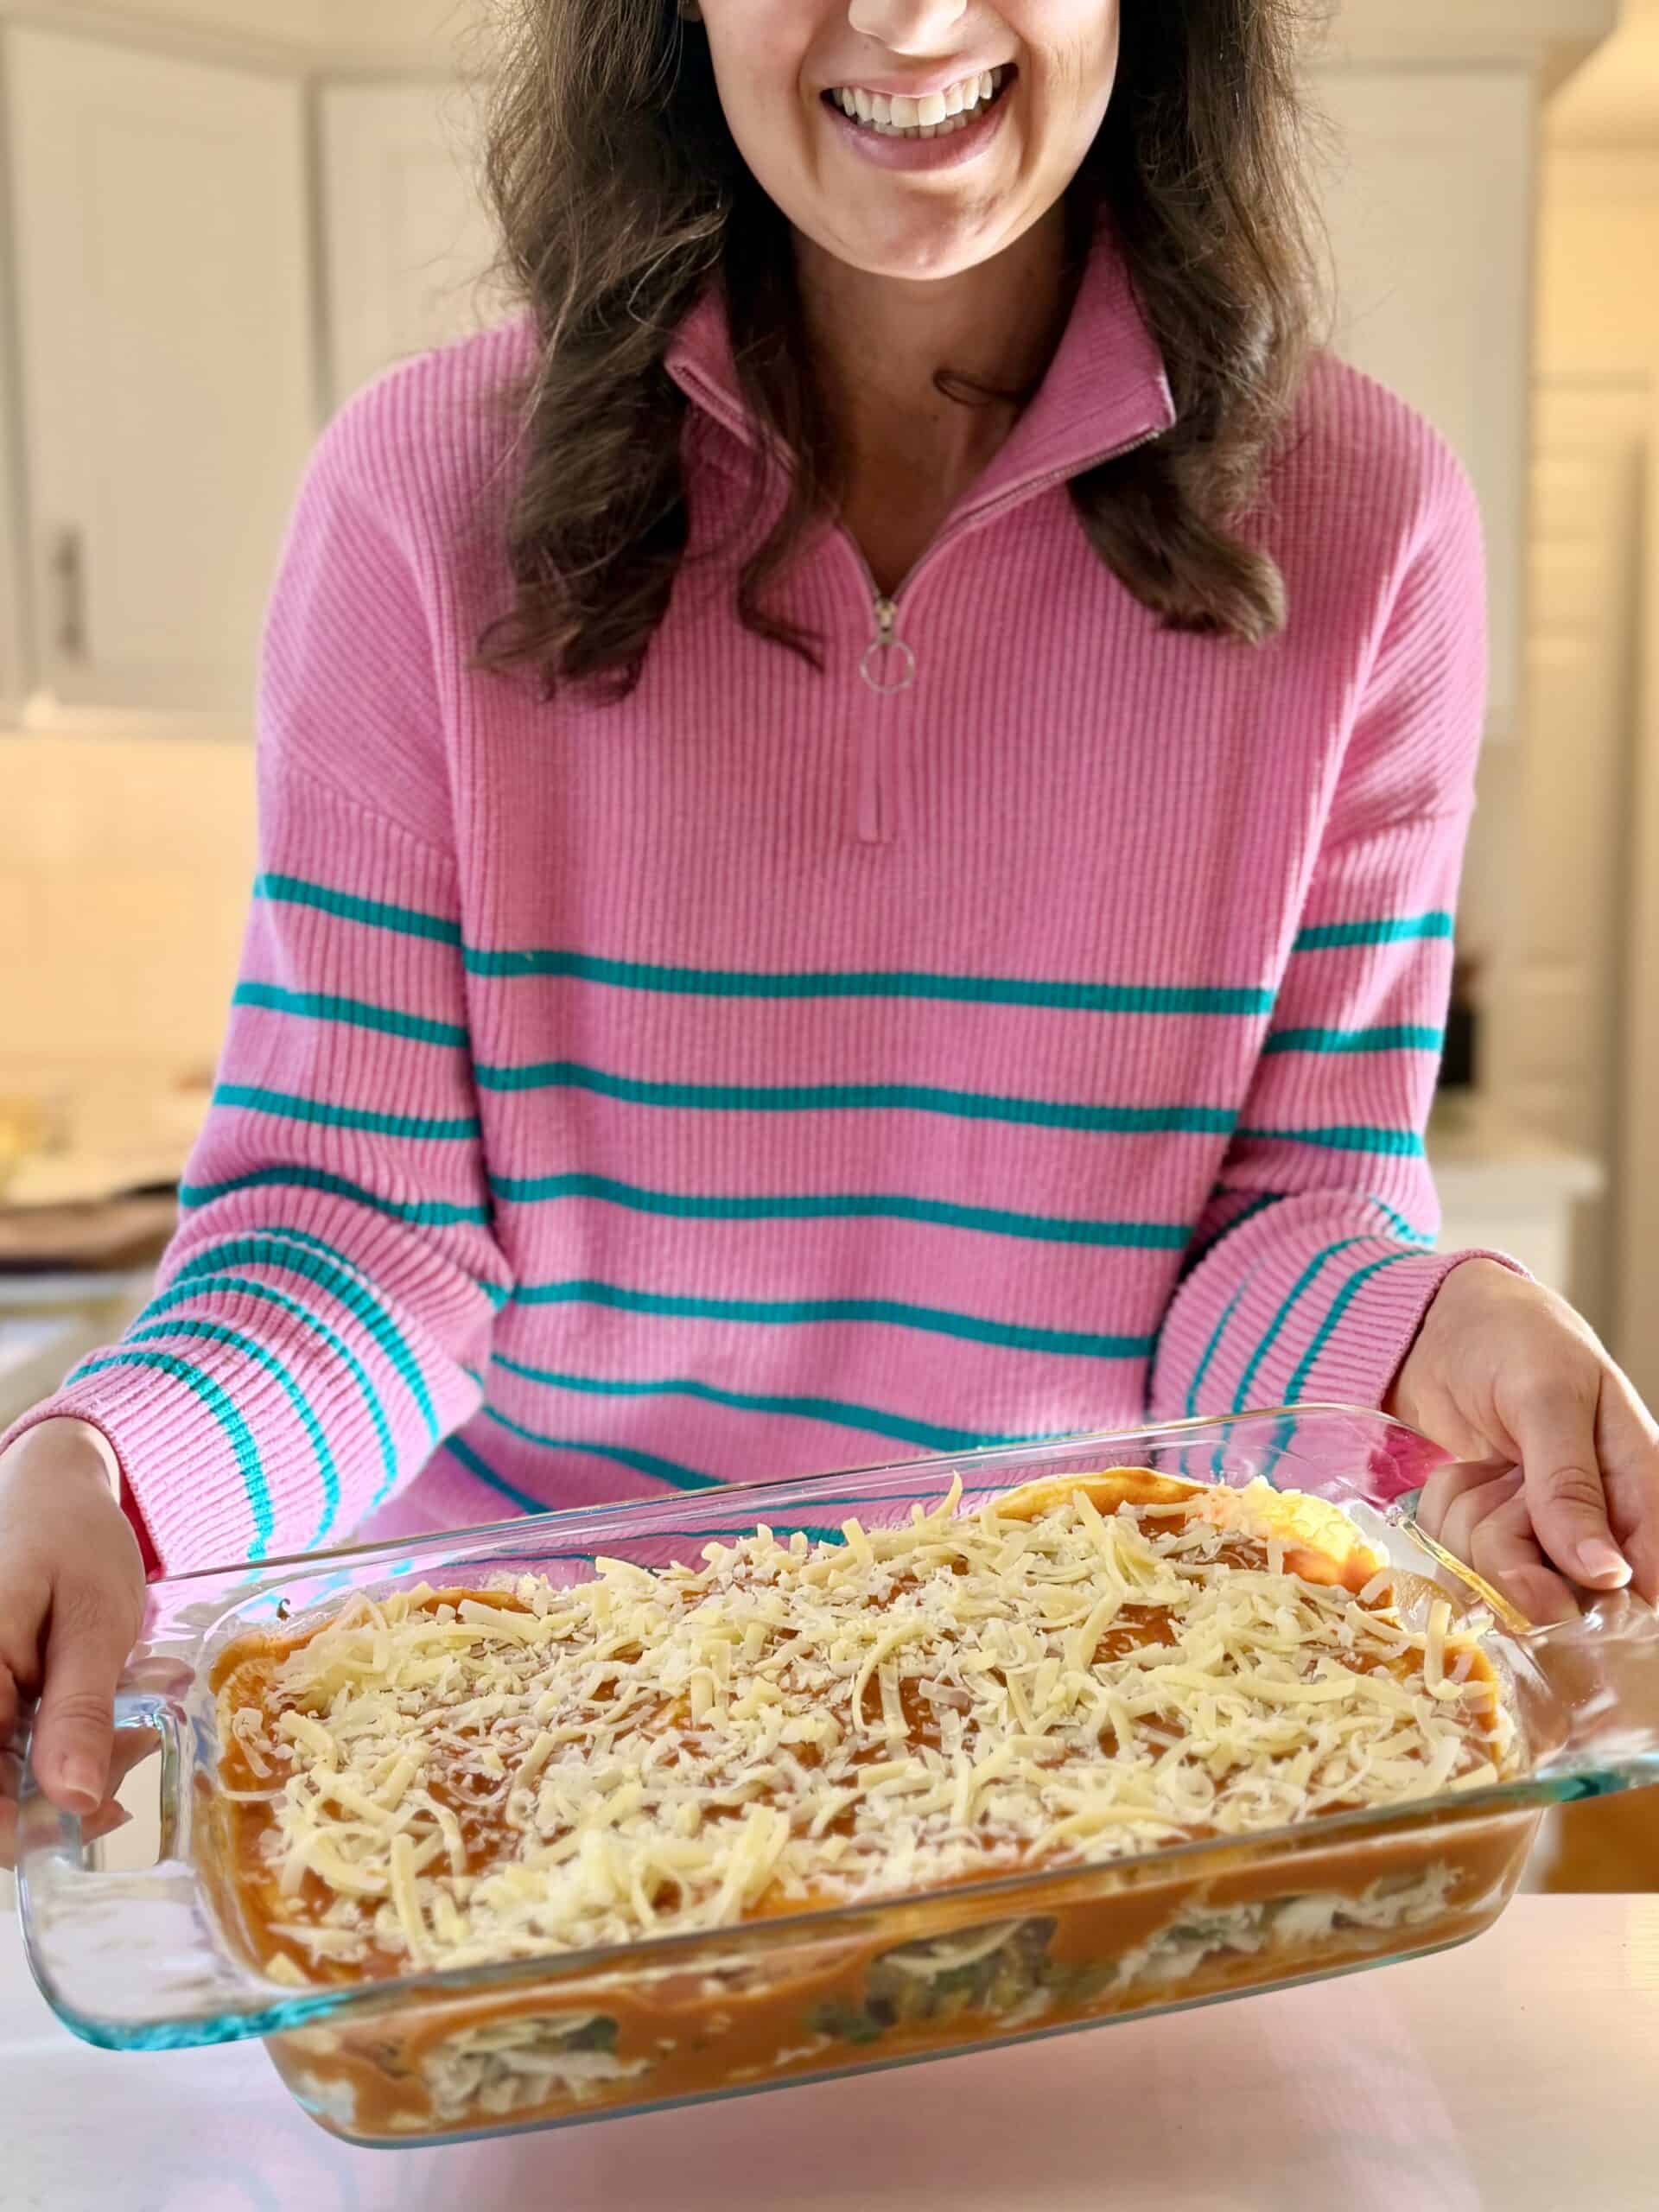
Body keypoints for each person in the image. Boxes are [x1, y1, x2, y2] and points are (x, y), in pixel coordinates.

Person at [3, 0, 1656, 1863]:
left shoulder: (1367, 525)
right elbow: (360, 1244)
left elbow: (1292, 1219)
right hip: (508, 1734)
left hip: (1094, 1728)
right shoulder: (418, 499)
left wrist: (1446, 1317)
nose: (912, 18)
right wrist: (106, 1466)